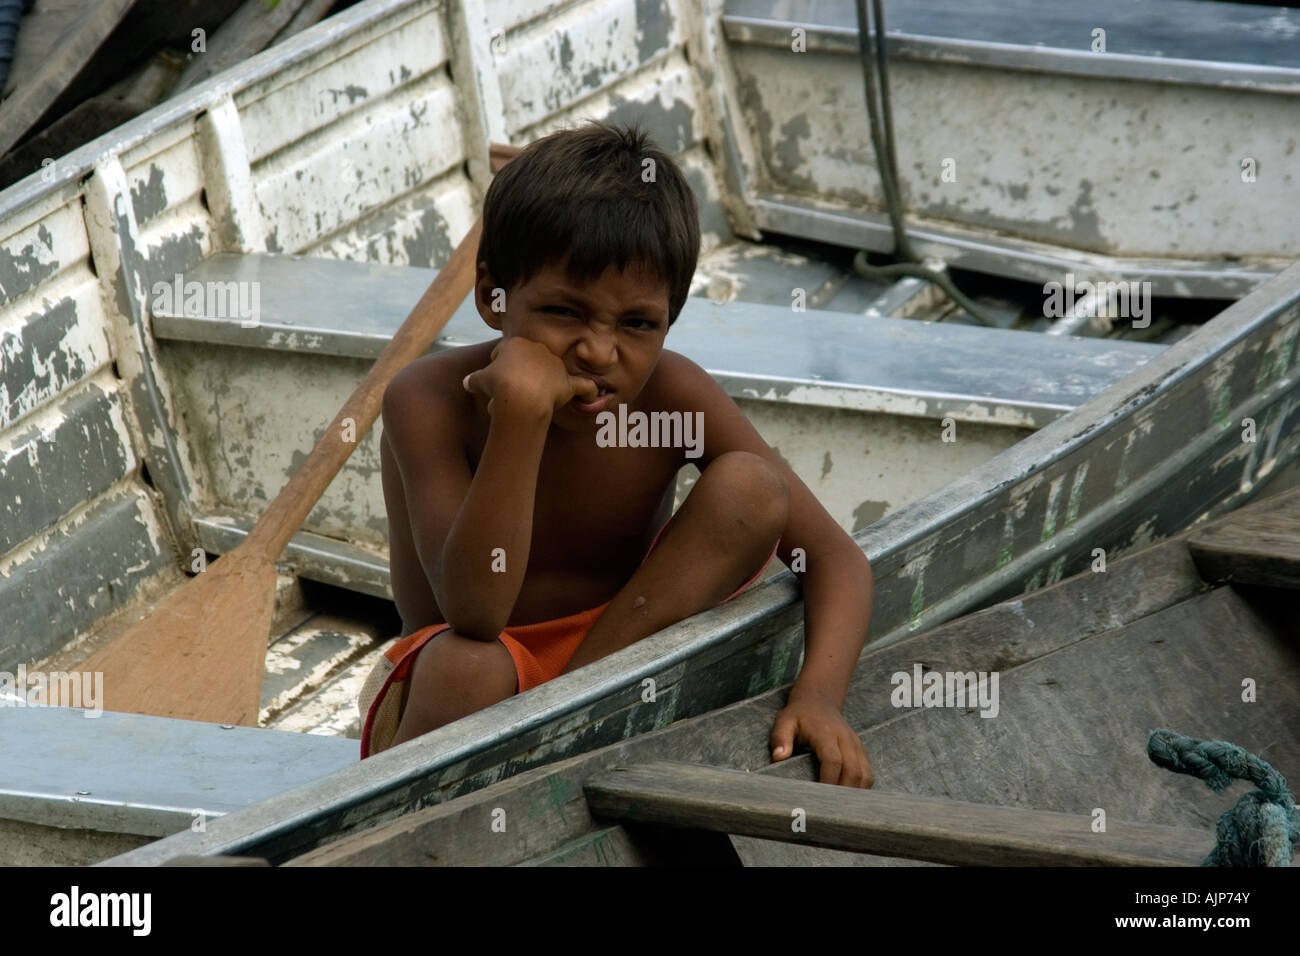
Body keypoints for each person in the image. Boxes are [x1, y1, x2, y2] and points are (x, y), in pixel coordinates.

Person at [360, 120, 875, 787]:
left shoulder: (672, 395)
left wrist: (817, 698)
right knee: (469, 662)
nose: (599, 351)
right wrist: (519, 419)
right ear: (494, 298)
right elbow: (475, 613)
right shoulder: (426, 399)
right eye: (565, 312)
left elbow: (836, 559)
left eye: (637, 324)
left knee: (752, 488)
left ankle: (559, 727)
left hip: (617, 656)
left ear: (671, 318)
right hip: (458, 691)